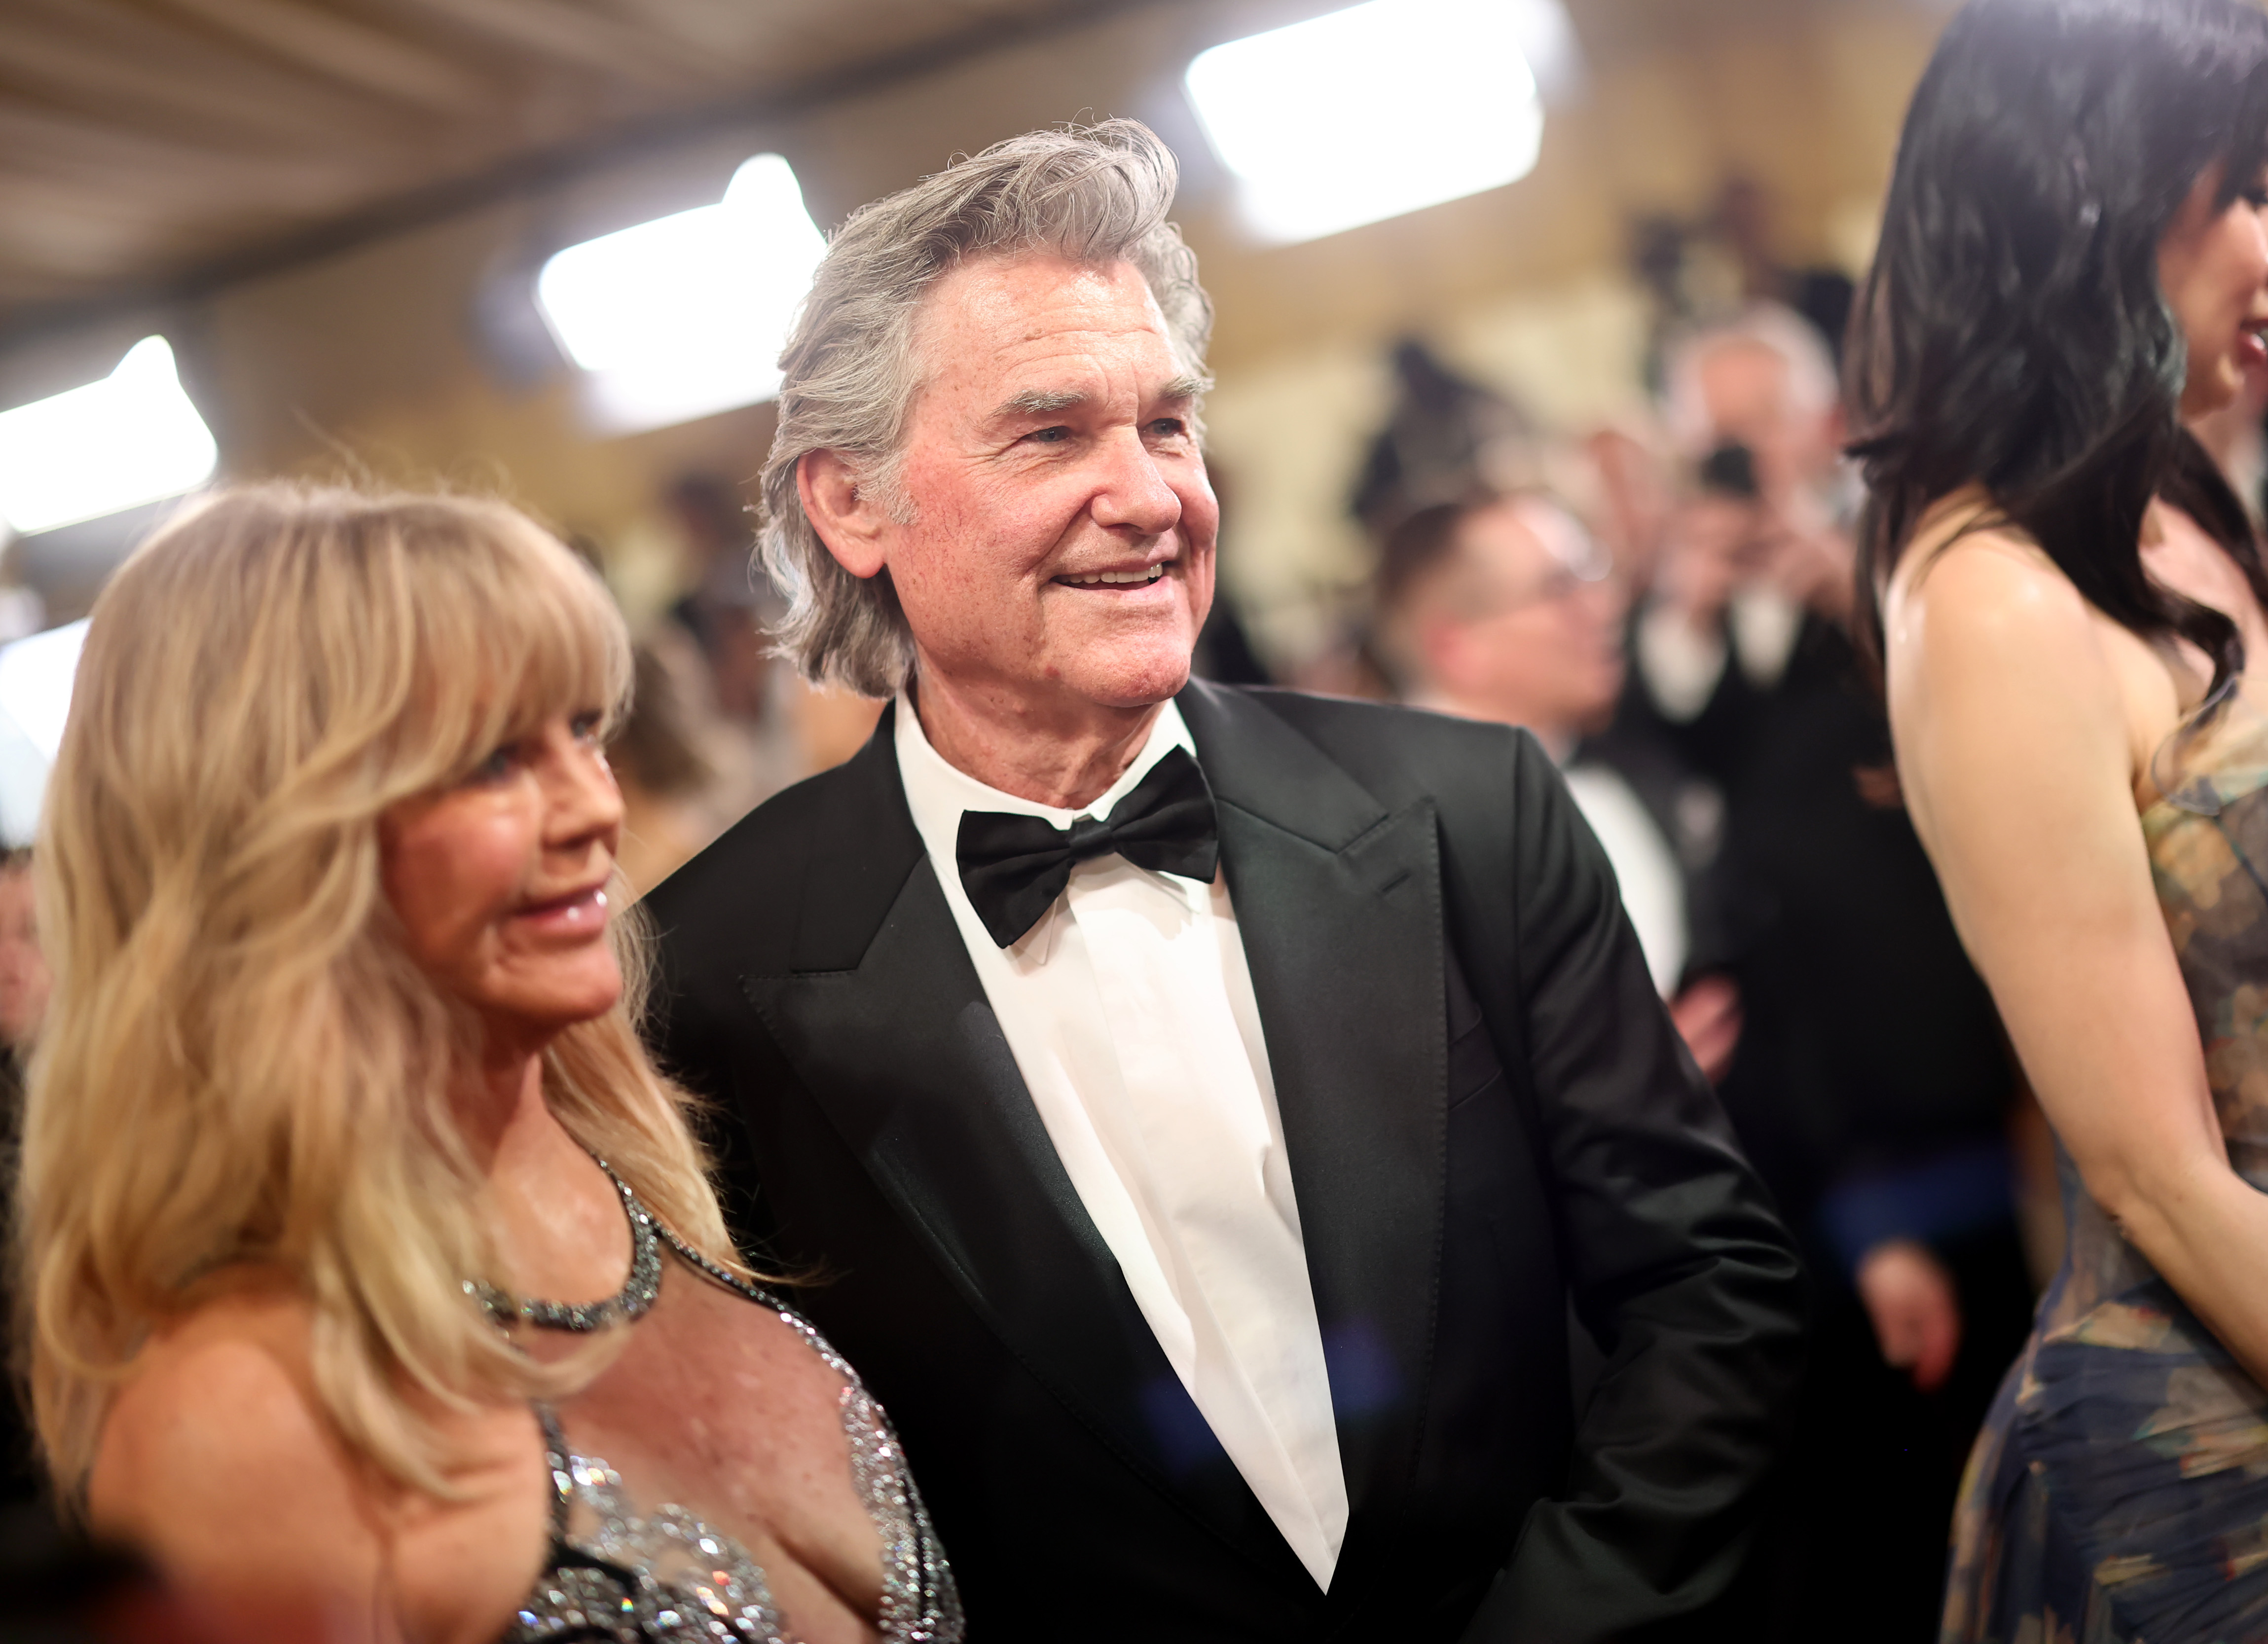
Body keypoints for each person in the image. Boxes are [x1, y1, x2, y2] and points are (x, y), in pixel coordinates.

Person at [643, 119, 1802, 1640]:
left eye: (1167, 425)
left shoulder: (1466, 809)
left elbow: (1706, 1288)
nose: (1148, 496)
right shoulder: (707, 974)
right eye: (1050, 434)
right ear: (850, 505)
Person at [18, 485, 959, 1641]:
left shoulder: (654, 1163)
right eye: (487, 762)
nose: (589, 810)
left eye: (580, 732)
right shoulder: (242, 1413)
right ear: (270, 840)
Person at [1856, 1, 2268, 1636]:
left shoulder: (2171, 492)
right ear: (2094, 202)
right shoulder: (1987, 598)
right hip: (2230, 1446)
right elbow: (2152, 1172)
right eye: (2246, 191)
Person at [1622, 311, 2034, 1639]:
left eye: (1763, 420)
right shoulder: (1672, 609)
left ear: (1821, 421)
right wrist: (1688, 608)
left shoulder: (1899, 548)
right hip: (1808, 1086)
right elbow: (1658, 759)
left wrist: (1838, 589)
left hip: (1957, 1029)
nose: (1745, 453)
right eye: (1717, 435)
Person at [1372, 490, 1736, 1075]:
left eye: (1595, 574)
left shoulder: (1629, 756)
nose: (1605, 606)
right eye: (1561, 588)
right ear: (1456, 646)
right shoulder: (1390, 848)